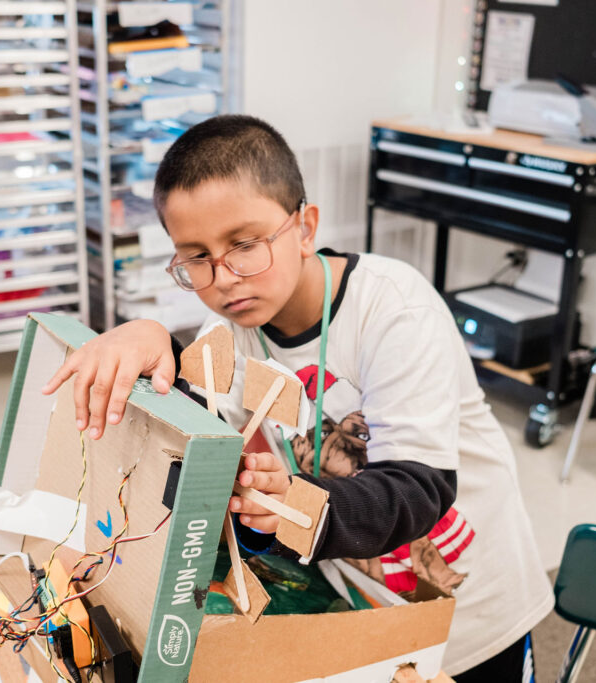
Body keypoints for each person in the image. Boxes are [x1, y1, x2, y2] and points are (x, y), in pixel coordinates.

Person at [42, 115, 552, 681]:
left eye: (244, 244)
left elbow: (418, 487)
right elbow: (195, 421)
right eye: (196, 257)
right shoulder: (236, 331)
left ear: (305, 228)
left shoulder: (395, 312)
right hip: (366, 600)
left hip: (477, 612)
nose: (225, 277)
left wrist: (295, 504)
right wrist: (150, 337)